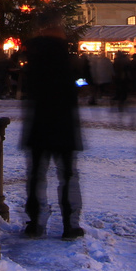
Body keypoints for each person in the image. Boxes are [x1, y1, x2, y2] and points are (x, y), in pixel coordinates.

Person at [21, 12, 83, 239]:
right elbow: (78, 82)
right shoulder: (66, 56)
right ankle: (70, 224)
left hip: (39, 123)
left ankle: (35, 223)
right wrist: (81, 83)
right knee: (67, 175)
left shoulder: (33, 55)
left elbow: (29, 88)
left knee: (37, 174)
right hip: (64, 123)